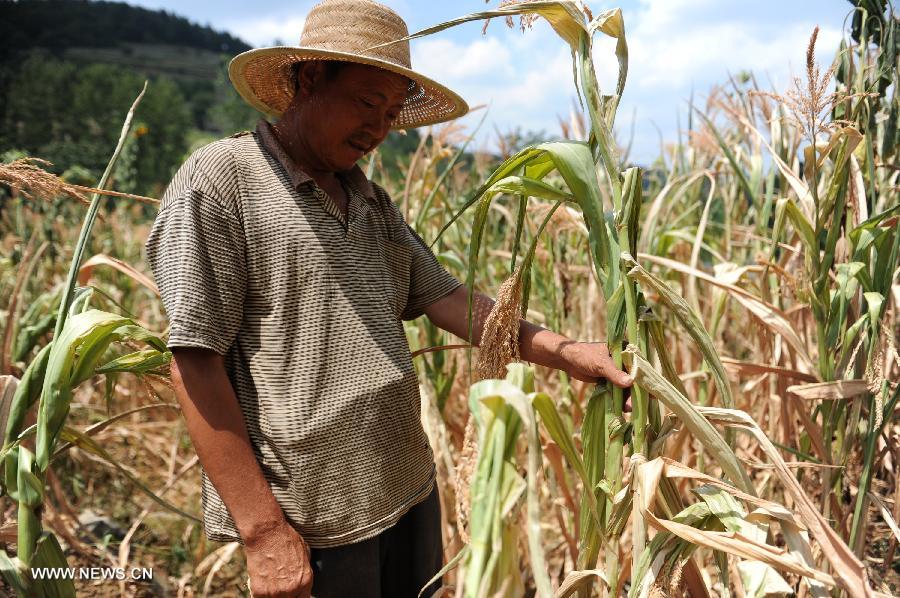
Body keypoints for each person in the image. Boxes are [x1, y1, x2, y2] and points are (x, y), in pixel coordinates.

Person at [145, 0, 633, 596]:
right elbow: (194, 360)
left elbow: (447, 298)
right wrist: (264, 531)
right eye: (366, 103)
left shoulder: (368, 200)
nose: (378, 129)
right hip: (315, 511)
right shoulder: (222, 181)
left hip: (405, 481)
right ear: (309, 79)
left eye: (393, 112)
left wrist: (568, 352)